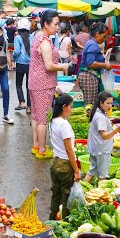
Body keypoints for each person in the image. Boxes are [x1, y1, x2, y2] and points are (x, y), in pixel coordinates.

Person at [28, 10, 70, 159]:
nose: (57, 27)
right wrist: (63, 67)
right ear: (46, 24)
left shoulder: (38, 36)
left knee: (35, 116)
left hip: (34, 82)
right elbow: (49, 66)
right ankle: (42, 150)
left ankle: (35, 145)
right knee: (42, 119)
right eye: (56, 24)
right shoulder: (44, 42)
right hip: (43, 84)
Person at [48, 93, 81, 220]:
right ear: (64, 107)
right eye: (71, 107)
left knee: (55, 195)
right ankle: (65, 222)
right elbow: (69, 150)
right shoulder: (64, 124)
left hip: (55, 163)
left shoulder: (53, 121)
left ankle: (51, 220)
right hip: (65, 164)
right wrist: (76, 171)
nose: (72, 110)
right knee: (66, 197)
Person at [84, 92, 120, 183]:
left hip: (96, 148)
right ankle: (100, 195)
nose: (110, 106)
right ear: (101, 103)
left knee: (92, 171)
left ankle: (81, 190)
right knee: (102, 176)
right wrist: (116, 130)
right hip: (101, 150)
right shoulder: (100, 117)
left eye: (111, 103)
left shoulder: (98, 113)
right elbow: (104, 136)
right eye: (108, 103)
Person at [77, 22, 112, 106]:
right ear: (97, 34)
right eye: (104, 36)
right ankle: (90, 118)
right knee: (90, 104)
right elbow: (90, 63)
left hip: (89, 76)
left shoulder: (91, 43)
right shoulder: (93, 44)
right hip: (89, 77)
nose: (105, 39)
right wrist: (105, 65)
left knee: (91, 102)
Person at [13, 17, 32, 113]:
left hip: (20, 64)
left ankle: (22, 102)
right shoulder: (32, 36)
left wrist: (13, 58)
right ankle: (29, 107)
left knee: (18, 84)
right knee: (29, 86)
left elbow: (16, 51)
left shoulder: (17, 38)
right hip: (30, 65)